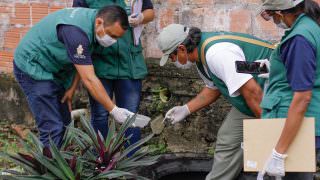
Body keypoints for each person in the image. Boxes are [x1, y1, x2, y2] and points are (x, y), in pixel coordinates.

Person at [157, 24, 275, 180]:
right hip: (253, 100)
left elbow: (253, 91)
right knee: (228, 138)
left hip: (273, 96)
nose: (173, 61)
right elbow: (214, 88)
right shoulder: (201, 57)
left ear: (181, 49)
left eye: (171, 57)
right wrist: (186, 109)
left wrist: (269, 129)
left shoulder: (217, 54)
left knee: (278, 153)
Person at [13, 5, 133, 153]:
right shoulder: (76, 33)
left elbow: (82, 62)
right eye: (112, 35)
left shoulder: (95, 23)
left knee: (65, 123)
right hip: (33, 66)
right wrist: (113, 109)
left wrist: (71, 89)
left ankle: (63, 164)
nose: (113, 41)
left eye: (117, 38)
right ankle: (49, 170)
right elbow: (89, 79)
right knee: (52, 128)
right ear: (99, 23)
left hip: (56, 70)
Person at [72, 0, 155, 150]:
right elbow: (78, 20)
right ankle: (101, 161)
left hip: (129, 63)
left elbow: (150, 12)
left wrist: (140, 18)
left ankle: (132, 162)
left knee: (131, 117)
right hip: (100, 63)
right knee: (99, 114)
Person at [257, 0, 320, 179]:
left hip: (296, 120)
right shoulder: (311, 26)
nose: (274, 22)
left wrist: (279, 153)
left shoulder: (299, 38)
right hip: (304, 120)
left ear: (280, 13)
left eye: (271, 16)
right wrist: (278, 71)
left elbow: (302, 97)